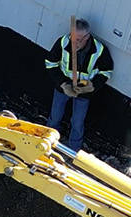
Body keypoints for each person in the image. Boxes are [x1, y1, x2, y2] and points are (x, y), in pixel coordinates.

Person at [44, 18, 114, 152]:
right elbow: (50, 63)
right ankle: (47, 143)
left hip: (84, 91)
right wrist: (64, 84)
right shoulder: (63, 42)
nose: (74, 43)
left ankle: (72, 152)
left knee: (77, 122)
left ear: (87, 37)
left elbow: (106, 71)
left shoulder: (99, 50)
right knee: (55, 116)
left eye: (79, 40)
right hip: (63, 87)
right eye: (73, 37)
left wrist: (91, 86)